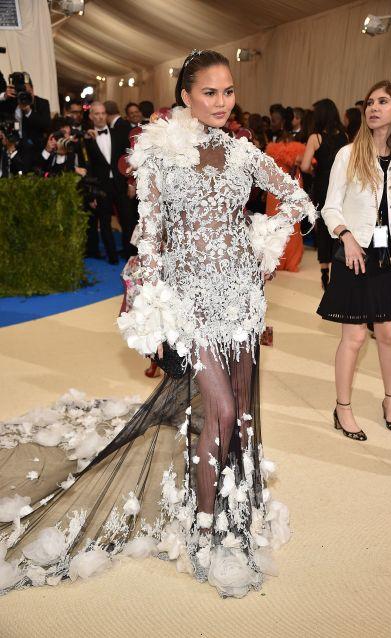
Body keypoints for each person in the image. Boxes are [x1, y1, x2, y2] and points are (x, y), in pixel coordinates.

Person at [0, 49, 315, 599]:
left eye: (229, 91)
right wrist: (148, 307)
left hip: (241, 298)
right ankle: (204, 526)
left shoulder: (243, 152)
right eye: (210, 92)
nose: (222, 101)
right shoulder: (159, 152)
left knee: (240, 414)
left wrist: (261, 248)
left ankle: (234, 507)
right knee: (219, 409)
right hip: (191, 302)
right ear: (186, 96)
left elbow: (295, 197)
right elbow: (148, 238)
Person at [317, 81, 391, 440]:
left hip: (387, 254)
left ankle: (390, 401)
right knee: (355, 337)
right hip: (355, 252)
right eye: (370, 102)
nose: (374, 108)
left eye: (383, 102)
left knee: (390, 334)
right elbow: (330, 207)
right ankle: (342, 408)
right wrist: (345, 236)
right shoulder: (348, 154)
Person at [301, 99, 348, 289]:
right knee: (339, 224)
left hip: (322, 186)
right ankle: (338, 268)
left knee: (322, 228)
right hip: (341, 186)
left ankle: (324, 272)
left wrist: (314, 172)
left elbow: (305, 165)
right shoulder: (345, 136)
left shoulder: (316, 137)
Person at [85, 101, 137, 263]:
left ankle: (129, 254)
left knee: (128, 220)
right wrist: (91, 193)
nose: (100, 117)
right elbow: (89, 168)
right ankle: (112, 256)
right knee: (105, 222)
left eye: (103, 113)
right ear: (91, 116)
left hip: (120, 184)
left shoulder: (118, 134)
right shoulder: (87, 139)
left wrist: (131, 182)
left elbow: (128, 159)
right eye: (97, 114)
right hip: (101, 187)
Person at [265, 131, 307, 271]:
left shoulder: (272, 154)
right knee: (292, 226)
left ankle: (276, 260)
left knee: (275, 225)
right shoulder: (298, 154)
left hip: (275, 190)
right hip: (292, 187)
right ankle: (291, 262)